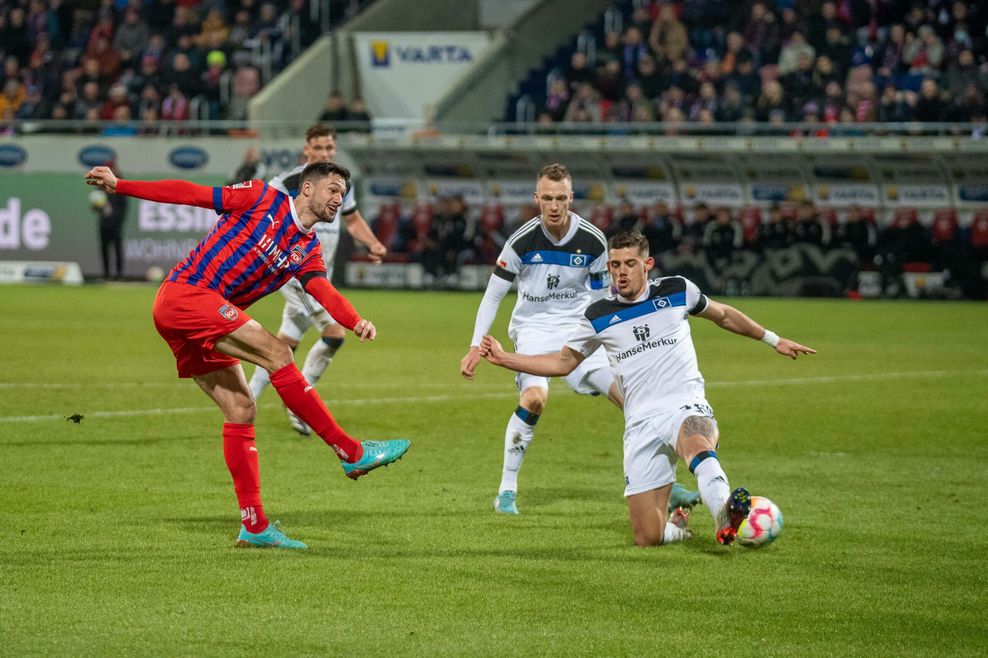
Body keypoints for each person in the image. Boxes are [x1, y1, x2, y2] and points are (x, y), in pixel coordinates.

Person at [83, 162, 409, 550]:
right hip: (185, 295)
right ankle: (350, 451)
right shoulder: (260, 197)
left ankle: (254, 525)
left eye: (343, 193)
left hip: (198, 317)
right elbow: (191, 193)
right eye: (333, 189)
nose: (339, 199)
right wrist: (122, 185)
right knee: (276, 351)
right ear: (307, 189)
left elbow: (323, 291)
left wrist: (354, 321)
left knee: (241, 408)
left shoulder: (306, 249)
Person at [478, 230, 816, 547]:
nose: (621, 272)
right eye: (614, 265)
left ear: (647, 264)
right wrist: (507, 358)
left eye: (629, 264)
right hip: (639, 423)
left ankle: (724, 514)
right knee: (647, 537)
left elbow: (724, 315)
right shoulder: (598, 315)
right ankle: (679, 527)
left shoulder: (677, 290)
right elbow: (563, 363)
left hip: (684, 405)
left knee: (696, 443)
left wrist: (773, 339)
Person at [460, 164, 698, 516]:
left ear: (571, 198)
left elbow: (602, 297)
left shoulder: (593, 240)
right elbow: (493, 295)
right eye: (546, 198)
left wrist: (607, 338)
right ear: (536, 198)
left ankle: (664, 480)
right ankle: (506, 491)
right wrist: (474, 345)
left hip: (579, 328)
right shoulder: (521, 241)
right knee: (535, 398)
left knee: (630, 397)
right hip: (534, 329)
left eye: (560, 198)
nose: (554, 206)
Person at [247, 124, 388, 435]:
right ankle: (301, 402)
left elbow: (351, 220)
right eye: (319, 148)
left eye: (329, 148)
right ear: (307, 150)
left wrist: (373, 242)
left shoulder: (341, 184)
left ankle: (247, 402)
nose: (325, 153)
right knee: (335, 333)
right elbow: (260, 206)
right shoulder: (292, 181)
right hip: (297, 274)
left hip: (320, 275)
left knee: (285, 344)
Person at [89, 161, 128, 280]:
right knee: (104, 248)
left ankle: (119, 274)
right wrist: (98, 207)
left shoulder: (121, 183)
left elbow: (124, 206)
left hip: (116, 223)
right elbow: (95, 203)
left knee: (117, 249)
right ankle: (106, 274)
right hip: (104, 223)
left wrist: (119, 220)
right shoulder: (101, 184)